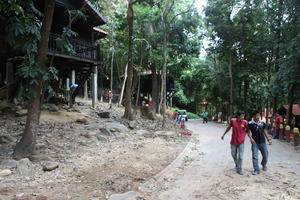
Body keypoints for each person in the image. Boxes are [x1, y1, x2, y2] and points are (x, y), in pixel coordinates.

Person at [221, 111, 248, 175]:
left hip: (241, 141)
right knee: (233, 154)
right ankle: (237, 164)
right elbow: (228, 128)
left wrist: (246, 136)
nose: (243, 117)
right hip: (234, 141)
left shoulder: (245, 122)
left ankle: (240, 169)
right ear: (238, 116)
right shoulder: (233, 121)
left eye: (243, 116)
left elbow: (248, 130)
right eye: (242, 116)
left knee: (240, 156)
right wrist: (223, 134)